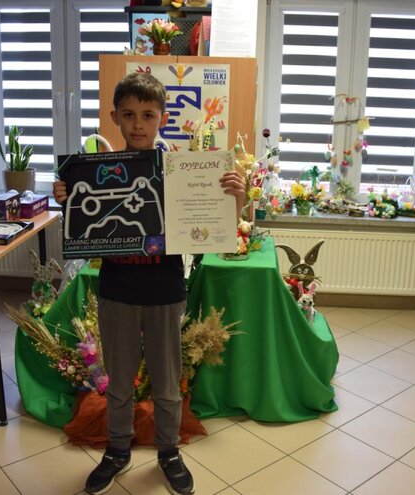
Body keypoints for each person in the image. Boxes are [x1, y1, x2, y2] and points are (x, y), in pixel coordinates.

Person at [53, 72, 245, 495]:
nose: (138, 124)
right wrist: (68, 198)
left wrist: (235, 198)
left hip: (164, 290)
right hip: (117, 289)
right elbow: (82, 225)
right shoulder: (96, 171)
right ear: (114, 118)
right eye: (128, 115)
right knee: (119, 382)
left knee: (167, 382)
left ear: (163, 118)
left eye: (147, 115)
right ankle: (117, 450)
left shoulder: (180, 169)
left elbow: (211, 227)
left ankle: (168, 451)